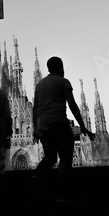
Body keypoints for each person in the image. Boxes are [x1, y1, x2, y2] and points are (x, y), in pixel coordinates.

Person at [32, 57, 94, 198]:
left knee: (50, 158)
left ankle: (36, 177)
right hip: (59, 124)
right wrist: (82, 125)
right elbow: (72, 104)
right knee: (65, 159)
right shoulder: (63, 81)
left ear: (48, 68)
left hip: (44, 127)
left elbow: (35, 108)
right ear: (61, 67)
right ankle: (63, 191)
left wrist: (36, 129)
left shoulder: (40, 85)